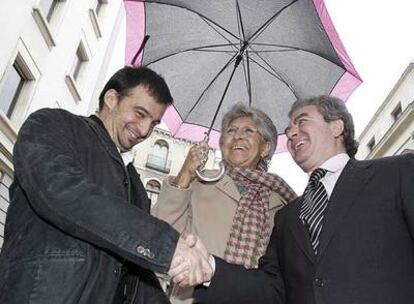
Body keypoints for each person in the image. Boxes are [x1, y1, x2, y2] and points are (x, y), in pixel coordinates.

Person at [0, 66, 211, 304]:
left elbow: (136, 279)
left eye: (153, 123)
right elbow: (65, 193)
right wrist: (168, 245)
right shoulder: (52, 124)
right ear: (111, 99)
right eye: (140, 114)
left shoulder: (136, 187)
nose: (144, 131)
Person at [179, 95, 414, 304]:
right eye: (289, 129)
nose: (291, 133)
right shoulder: (287, 217)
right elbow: (272, 289)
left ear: (336, 126)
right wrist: (210, 268)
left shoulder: (397, 173)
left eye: (301, 121)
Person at [153, 103, 296, 303]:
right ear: (221, 144)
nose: (237, 136)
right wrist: (185, 174)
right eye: (231, 131)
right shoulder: (200, 182)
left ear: (266, 147)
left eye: (248, 130)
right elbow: (160, 232)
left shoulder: (283, 203)